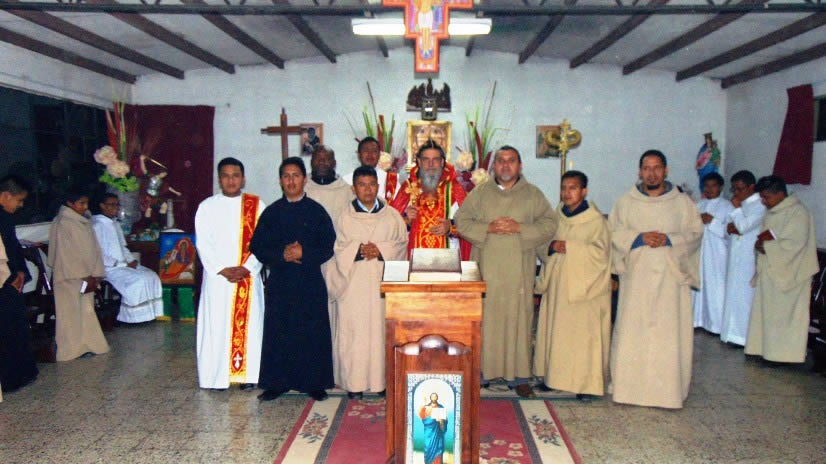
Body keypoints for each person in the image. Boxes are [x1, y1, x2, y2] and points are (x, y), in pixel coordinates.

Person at [454, 145, 556, 398]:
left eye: (511, 161)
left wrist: (520, 228)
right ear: (494, 166)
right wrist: (487, 228)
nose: (506, 165)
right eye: (501, 161)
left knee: (518, 322)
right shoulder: (480, 193)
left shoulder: (532, 195)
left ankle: (519, 377)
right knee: (485, 322)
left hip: (518, 273)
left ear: (520, 166)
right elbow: (462, 221)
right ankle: (482, 373)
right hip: (487, 269)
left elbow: (549, 224)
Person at [608, 150, 703, 409]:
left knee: (666, 336)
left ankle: (666, 392)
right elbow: (613, 233)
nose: (651, 173)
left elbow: (695, 234)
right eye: (646, 168)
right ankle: (628, 389)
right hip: (636, 279)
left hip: (670, 280)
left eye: (657, 168)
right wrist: (638, 238)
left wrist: (670, 239)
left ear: (666, 170)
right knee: (633, 331)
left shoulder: (682, 203)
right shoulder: (626, 202)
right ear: (640, 172)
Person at [251, 157, 336, 402]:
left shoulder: (317, 212)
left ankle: (314, 383)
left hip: (309, 282)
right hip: (281, 282)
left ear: (305, 179)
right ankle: (276, 384)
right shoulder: (271, 212)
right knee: (279, 332)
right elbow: (257, 246)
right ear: (280, 180)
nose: (291, 181)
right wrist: (282, 254)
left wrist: (303, 253)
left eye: (296, 175)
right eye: (286, 176)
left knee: (312, 332)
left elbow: (328, 246)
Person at [327, 166, 407, 399]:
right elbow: (335, 250)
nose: (368, 190)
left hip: (383, 285)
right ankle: (354, 384)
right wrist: (357, 250)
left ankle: (381, 383)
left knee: (381, 333)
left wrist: (381, 250)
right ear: (354, 189)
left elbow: (402, 244)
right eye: (362, 185)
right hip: (353, 285)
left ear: (378, 187)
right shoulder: (343, 218)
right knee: (354, 335)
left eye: (372, 184)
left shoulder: (392, 216)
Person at [533, 171, 611, 398]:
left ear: (584, 191)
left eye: (573, 188)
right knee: (557, 335)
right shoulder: (556, 216)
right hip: (558, 287)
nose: (567, 193)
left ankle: (587, 386)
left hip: (586, 290)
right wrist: (551, 246)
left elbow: (603, 254)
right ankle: (554, 378)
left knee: (584, 338)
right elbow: (542, 242)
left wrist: (572, 248)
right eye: (564, 188)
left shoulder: (596, 221)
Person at [194, 157, 265, 391]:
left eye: (236, 176)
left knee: (251, 326)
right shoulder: (207, 207)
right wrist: (222, 269)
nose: (231, 180)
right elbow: (203, 244)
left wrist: (247, 267)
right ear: (219, 179)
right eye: (225, 176)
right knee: (217, 326)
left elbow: (264, 241)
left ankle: (248, 375)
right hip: (218, 280)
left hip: (247, 277)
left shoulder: (257, 206)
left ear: (243, 179)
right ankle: (217, 377)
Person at [745, 176, 818, 363]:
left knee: (784, 318)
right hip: (771, 271)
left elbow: (795, 244)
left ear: (780, 194)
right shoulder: (772, 211)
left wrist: (767, 247)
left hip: (791, 273)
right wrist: (760, 244)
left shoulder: (798, 212)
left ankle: (783, 356)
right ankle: (765, 351)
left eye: (766, 197)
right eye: (762, 197)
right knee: (768, 316)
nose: (763, 201)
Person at [304, 144, 354, 386]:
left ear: (334, 163)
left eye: (327, 159)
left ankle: (335, 369)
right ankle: (311, 370)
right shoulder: (303, 188)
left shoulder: (346, 191)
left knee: (337, 317)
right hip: (308, 263)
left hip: (337, 261)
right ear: (312, 162)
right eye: (318, 158)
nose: (322, 162)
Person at [48, 188, 110, 362]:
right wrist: (83, 275)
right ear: (70, 204)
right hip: (70, 275)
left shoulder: (85, 221)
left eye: (86, 203)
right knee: (70, 314)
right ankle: (71, 350)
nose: (85, 207)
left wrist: (96, 273)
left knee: (86, 312)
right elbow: (66, 253)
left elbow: (93, 248)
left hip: (87, 275)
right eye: (81, 203)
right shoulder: (63, 222)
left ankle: (89, 345)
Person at [390, 141, 470, 260]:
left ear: (442, 162)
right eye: (426, 159)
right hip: (415, 258)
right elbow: (390, 224)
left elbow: (470, 224)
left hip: (448, 259)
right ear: (419, 162)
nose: (431, 164)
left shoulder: (454, 188)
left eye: (435, 159)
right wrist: (406, 220)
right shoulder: (408, 188)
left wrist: (451, 227)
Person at [92, 193, 164, 323]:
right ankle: (133, 317)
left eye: (117, 205)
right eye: (112, 205)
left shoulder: (114, 224)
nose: (116, 207)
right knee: (139, 280)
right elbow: (98, 254)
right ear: (102, 206)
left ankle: (150, 314)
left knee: (152, 276)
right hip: (109, 268)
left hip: (124, 264)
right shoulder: (97, 225)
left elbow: (123, 247)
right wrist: (123, 265)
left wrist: (131, 260)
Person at [0, 175, 38, 392]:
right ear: (6, 195)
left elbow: (13, 247)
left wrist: (21, 272)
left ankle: (22, 373)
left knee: (17, 326)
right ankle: (10, 378)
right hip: (4, 281)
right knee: (7, 330)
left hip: (11, 278)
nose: (21, 205)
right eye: (19, 200)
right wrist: (10, 277)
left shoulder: (5, 217)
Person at [719, 170, 765, 346]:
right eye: (734, 189)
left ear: (751, 187)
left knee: (744, 296)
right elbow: (729, 228)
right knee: (732, 294)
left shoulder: (760, 205)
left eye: (740, 189)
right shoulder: (740, 205)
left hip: (747, 258)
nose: (736, 193)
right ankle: (730, 334)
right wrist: (731, 227)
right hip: (735, 255)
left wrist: (737, 211)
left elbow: (744, 226)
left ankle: (743, 337)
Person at [692, 173, 734, 334]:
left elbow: (730, 232)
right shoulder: (699, 205)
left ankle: (716, 325)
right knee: (698, 285)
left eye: (713, 186)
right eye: (706, 186)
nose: (709, 189)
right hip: (700, 252)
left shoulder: (727, 207)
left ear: (721, 187)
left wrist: (712, 221)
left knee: (716, 287)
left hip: (717, 253)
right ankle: (697, 319)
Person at [343, 137, 398, 202]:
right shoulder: (346, 181)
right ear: (359, 155)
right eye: (366, 151)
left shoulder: (391, 180)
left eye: (374, 151)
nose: (370, 154)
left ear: (379, 155)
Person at [418, 392, 447, 464]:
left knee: (438, 449)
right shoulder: (426, 407)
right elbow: (423, 418)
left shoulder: (440, 407)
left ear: (437, 398)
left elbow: (444, 422)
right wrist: (423, 405)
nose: (434, 398)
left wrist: (441, 421)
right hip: (429, 432)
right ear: (430, 398)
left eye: (435, 396)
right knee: (428, 447)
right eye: (432, 396)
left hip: (437, 434)